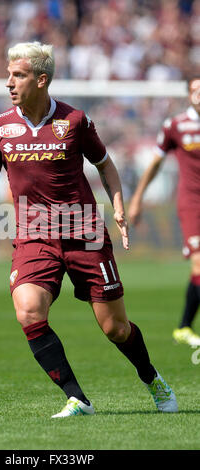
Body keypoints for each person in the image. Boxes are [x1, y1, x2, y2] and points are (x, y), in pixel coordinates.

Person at [0, 41, 177, 417]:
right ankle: (78, 398)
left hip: (85, 232)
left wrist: (120, 207)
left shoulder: (75, 121)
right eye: (9, 74)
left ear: (41, 80)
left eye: (18, 75)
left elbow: (106, 165)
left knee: (115, 328)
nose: (8, 82)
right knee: (29, 310)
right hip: (33, 233)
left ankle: (152, 378)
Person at [129, 77, 200, 347]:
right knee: (199, 264)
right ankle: (183, 328)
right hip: (192, 203)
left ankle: (183, 327)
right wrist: (137, 199)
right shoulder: (176, 126)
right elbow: (155, 163)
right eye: (196, 90)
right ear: (188, 95)